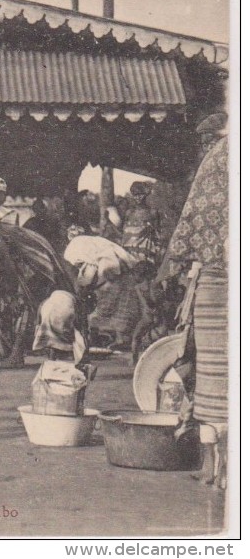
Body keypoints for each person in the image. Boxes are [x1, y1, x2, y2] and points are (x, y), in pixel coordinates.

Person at [164, 117, 228, 489]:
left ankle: (215, 470)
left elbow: (192, 229)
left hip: (216, 278)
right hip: (216, 278)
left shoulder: (221, 159)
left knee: (211, 379)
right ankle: (218, 470)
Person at [0, 213, 76, 368]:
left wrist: (14, 294)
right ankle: (7, 354)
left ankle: (16, 355)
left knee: (23, 310)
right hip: (7, 279)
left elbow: (7, 263)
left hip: (23, 275)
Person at [63, 232, 153, 356]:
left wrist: (86, 286)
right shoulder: (84, 248)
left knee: (111, 308)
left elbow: (93, 273)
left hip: (111, 275)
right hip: (112, 273)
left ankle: (115, 338)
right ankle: (113, 338)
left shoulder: (80, 250)